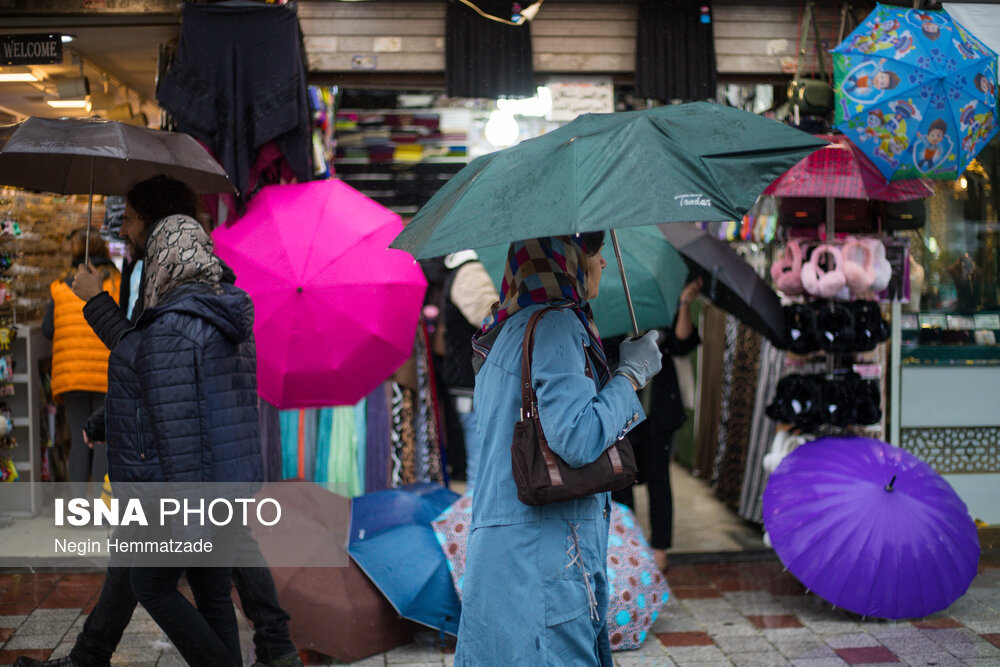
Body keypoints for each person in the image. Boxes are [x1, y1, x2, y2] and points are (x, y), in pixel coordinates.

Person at [16, 175, 300, 667]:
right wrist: (113, 416)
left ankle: (273, 646)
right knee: (207, 587)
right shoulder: (217, 306)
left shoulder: (177, 316)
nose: (123, 231)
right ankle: (91, 654)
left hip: (182, 483)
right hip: (217, 480)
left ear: (162, 241)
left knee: (151, 581)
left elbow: (155, 375)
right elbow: (170, 388)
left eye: (127, 219)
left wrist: (96, 303)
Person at [456, 232, 662, 665]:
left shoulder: (504, 332)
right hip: (544, 557)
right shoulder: (555, 324)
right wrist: (631, 375)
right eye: (594, 251)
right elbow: (578, 439)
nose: (603, 263)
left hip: (509, 555)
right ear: (565, 258)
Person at [608, 276, 703, 573]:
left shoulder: (660, 306)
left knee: (659, 478)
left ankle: (660, 548)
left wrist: (684, 304)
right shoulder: (610, 307)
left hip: (658, 408)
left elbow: (682, 342)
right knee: (622, 480)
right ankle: (628, 545)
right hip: (622, 409)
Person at [41, 228, 121, 499]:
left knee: (79, 438)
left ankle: (76, 508)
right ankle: (102, 509)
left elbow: (48, 329)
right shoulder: (114, 281)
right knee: (101, 441)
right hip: (104, 374)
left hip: (71, 375)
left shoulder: (60, 286)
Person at [439, 249, 499, 489]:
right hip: (472, 384)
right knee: (481, 467)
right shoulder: (469, 271)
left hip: (470, 382)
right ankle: (476, 524)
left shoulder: (462, 270)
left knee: (480, 464)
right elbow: (489, 316)